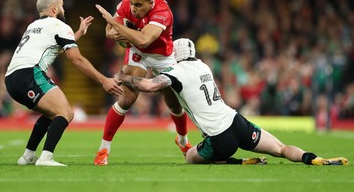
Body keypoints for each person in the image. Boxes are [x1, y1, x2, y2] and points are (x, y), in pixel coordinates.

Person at [116, 38, 349, 165]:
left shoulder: (177, 72)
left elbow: (148, 86)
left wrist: (124, 77)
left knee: (189, 157)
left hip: (219, 137)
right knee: (280, 148)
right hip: (236, 121)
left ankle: (238, 162)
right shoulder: (204, 65)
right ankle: (314, 158)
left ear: (174, 55)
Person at [4, 0, 123, 166]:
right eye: (61, 6)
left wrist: (80, 33)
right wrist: (103, 80)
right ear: (54, 8)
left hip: (11, 78)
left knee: (50, 113)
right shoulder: (59, 25)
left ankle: (28, 156)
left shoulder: (33, 26)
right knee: (65, 113)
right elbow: (76, 59)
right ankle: (46, 158)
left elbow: (54, 48)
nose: (63, 9)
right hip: (30, 74)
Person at [94, 0, 190, 165]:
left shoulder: (162, 12)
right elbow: (108, 32)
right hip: (137, 53)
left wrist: (118, 28)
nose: (133, 8)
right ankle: (103, 149)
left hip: (162, 56)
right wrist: (115, 31)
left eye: (138, 5)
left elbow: (145, 39)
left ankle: (183, 140)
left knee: (174, 103)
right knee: (127, 99)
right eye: (132, 3)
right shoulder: (125, 5)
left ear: (150, 2)